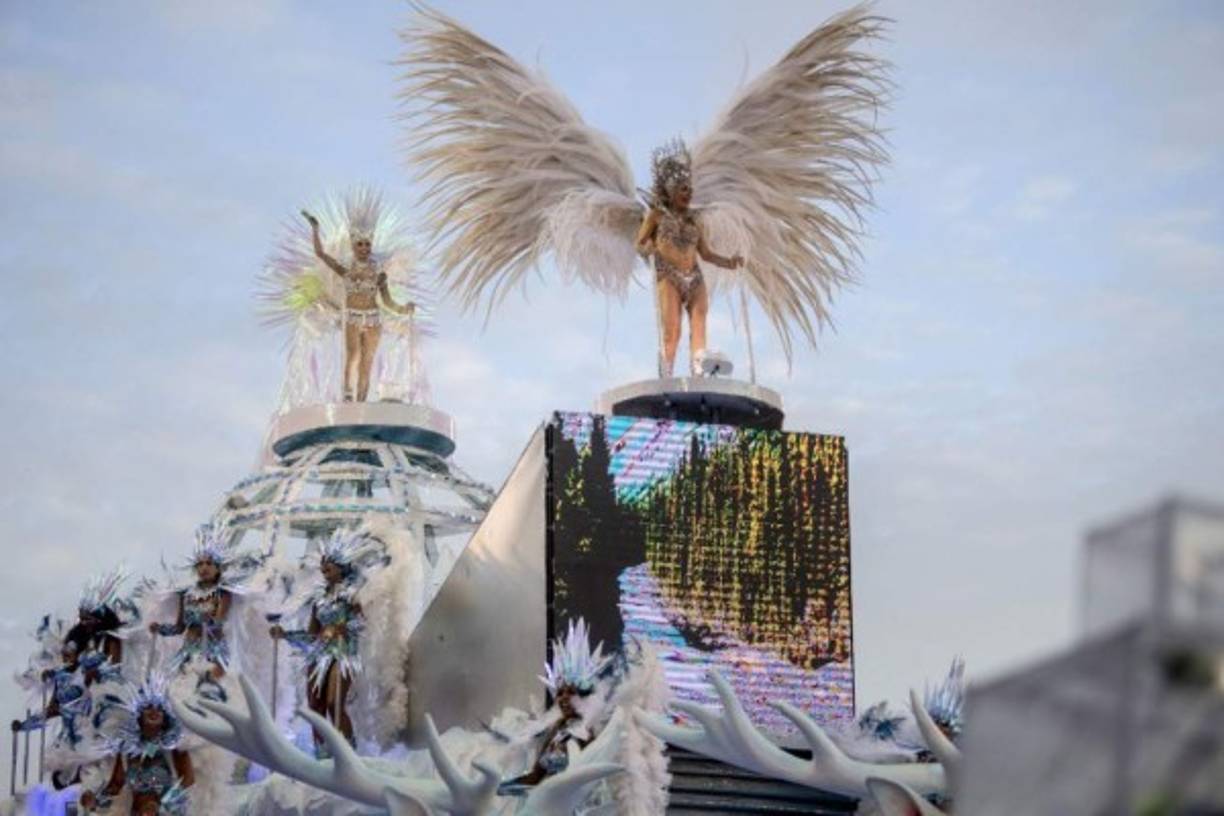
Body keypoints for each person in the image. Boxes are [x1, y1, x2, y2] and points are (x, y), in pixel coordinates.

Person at [270, 530, 386, 755]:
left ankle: (346, 754)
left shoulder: (351, 595)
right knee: (316, 708)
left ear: (341, 566)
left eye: (329, 565)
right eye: (322, 565)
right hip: (318, 656)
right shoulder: (319, 599)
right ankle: (322, 756)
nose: (324, 569)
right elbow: (313, 635)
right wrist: (285, 635)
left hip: (342, 656)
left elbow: (361, 625)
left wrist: (338, 628)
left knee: (335, 702)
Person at [635, 141, 743, 377]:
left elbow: (706, 254)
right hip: (669, 275)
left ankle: (698, 372)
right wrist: (649, 249)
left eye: (689, 189)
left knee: (700, 323)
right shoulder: (656, 216)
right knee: (672, 330)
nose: (688, 193)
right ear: (671, 191)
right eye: (683, 188)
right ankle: (667, 372)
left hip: (695, 276)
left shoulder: (694, 220)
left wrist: (730, 262)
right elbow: (639, 243)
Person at [302, 208, 415, 401]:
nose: (364, 248)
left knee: (367, 363)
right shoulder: (346, 269)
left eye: (367, 244)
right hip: (353, 317)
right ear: (354, 246)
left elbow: (387, 300)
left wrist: (403, 309)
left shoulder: (379, 272)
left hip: (373, 319)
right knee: (352, 356)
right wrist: (315, 229)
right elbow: (320, 253)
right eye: (360, 244)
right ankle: (347, 396)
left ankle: (361, 402)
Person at [80, 675, 193, 816]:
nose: (154, 711)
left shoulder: (127, 750)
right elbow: (188, 775)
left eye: (158, 709)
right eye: (149, 708)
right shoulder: (174, 748)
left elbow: (114, 787)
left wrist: (94, 801)